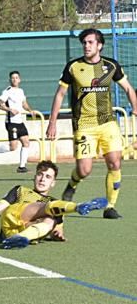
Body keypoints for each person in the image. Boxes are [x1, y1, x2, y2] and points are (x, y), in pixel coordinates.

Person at [46, 28, 137, 219]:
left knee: (114, 162)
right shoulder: (73, 67)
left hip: (107, 123)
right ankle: (73, 183)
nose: (86, 46)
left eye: (90, 42)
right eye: (84, 43)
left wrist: (135, 108)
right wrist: (52, 122)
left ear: (99, 45)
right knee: (84, 170)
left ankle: (110, 206)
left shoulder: (111, 66)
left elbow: (128, 88)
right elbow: (60, 94)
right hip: (84, 125)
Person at [0, 160, 107, 249]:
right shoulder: (20, 190)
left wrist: (58, 235)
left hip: (20, 234)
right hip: (11, 219)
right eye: (40, 174)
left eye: (48, 177)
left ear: (53, 183)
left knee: (51, 219)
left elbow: (58, 231)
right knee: (47, 207)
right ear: (35, 176)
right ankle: (77, 206)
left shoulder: (56, 205)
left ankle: (21, 238)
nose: (43, 179)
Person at [0, 71, 34, 173]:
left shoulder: (21, 91)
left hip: (20, 122)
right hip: (11, 122)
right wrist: (9, 109)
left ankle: (21, 167)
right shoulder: (7, 91)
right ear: (10, 80)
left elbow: (24, 103)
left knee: (26, 142)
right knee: (13, 147)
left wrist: (30, 110)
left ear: (20, 80)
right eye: (13, 78)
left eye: (16, 78)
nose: (15, 79)